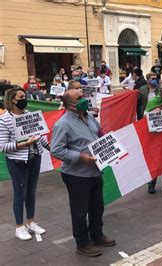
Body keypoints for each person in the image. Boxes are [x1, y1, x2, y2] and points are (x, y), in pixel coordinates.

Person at [51, 89, 115, 257]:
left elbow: (99, 134)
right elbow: (56, 150)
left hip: (94, 171)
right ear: (70, 105)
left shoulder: (89, 117)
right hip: (77, 174)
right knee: (80, 211)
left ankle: (96, 234)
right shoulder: (62, 124)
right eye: (80, 98)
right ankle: (82, 243)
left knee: (97, 206)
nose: (84, 99)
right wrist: (80, 157)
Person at [0, 87, 49, 241]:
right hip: (17, 161)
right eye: (21, 97)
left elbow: (39, 135)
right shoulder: (4, 120)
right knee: (19, 194)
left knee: (31, 192)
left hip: (35, 157)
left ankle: (31, 222)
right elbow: (2, 146)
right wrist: (24, 143)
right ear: (13, 100)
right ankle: (19, 227)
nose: (24, 99)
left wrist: (51, 148)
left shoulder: (29, 115)